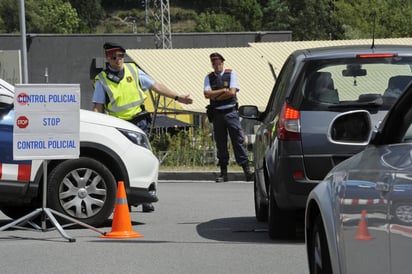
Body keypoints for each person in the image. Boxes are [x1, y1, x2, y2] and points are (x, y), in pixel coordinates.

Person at [92, 42, 193, 211]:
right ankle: (126, 198)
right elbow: (98, 106)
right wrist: (97, 126)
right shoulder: (102, 79)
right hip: (117, 125)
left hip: (138, 121)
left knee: (144, 157)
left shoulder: (133, 70)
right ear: (107, 58)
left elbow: (156, 86)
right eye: (114, 57)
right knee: (122, 160)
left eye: (121, 56)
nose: (118, 60)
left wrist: (177, 97)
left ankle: (147, 195)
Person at [203, 52, 253, 182]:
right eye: (214, 64)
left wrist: (216, 95)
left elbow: (232, 93)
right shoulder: (209, 77)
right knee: (221, 143)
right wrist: (222, 91)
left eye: (218, 64)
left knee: (238, 141)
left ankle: (247, 171)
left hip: (230, 113)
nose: (216, 66)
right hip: (217, 114)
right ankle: (223, 173)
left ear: (222, 63)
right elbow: (207, 94)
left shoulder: (230, 74)